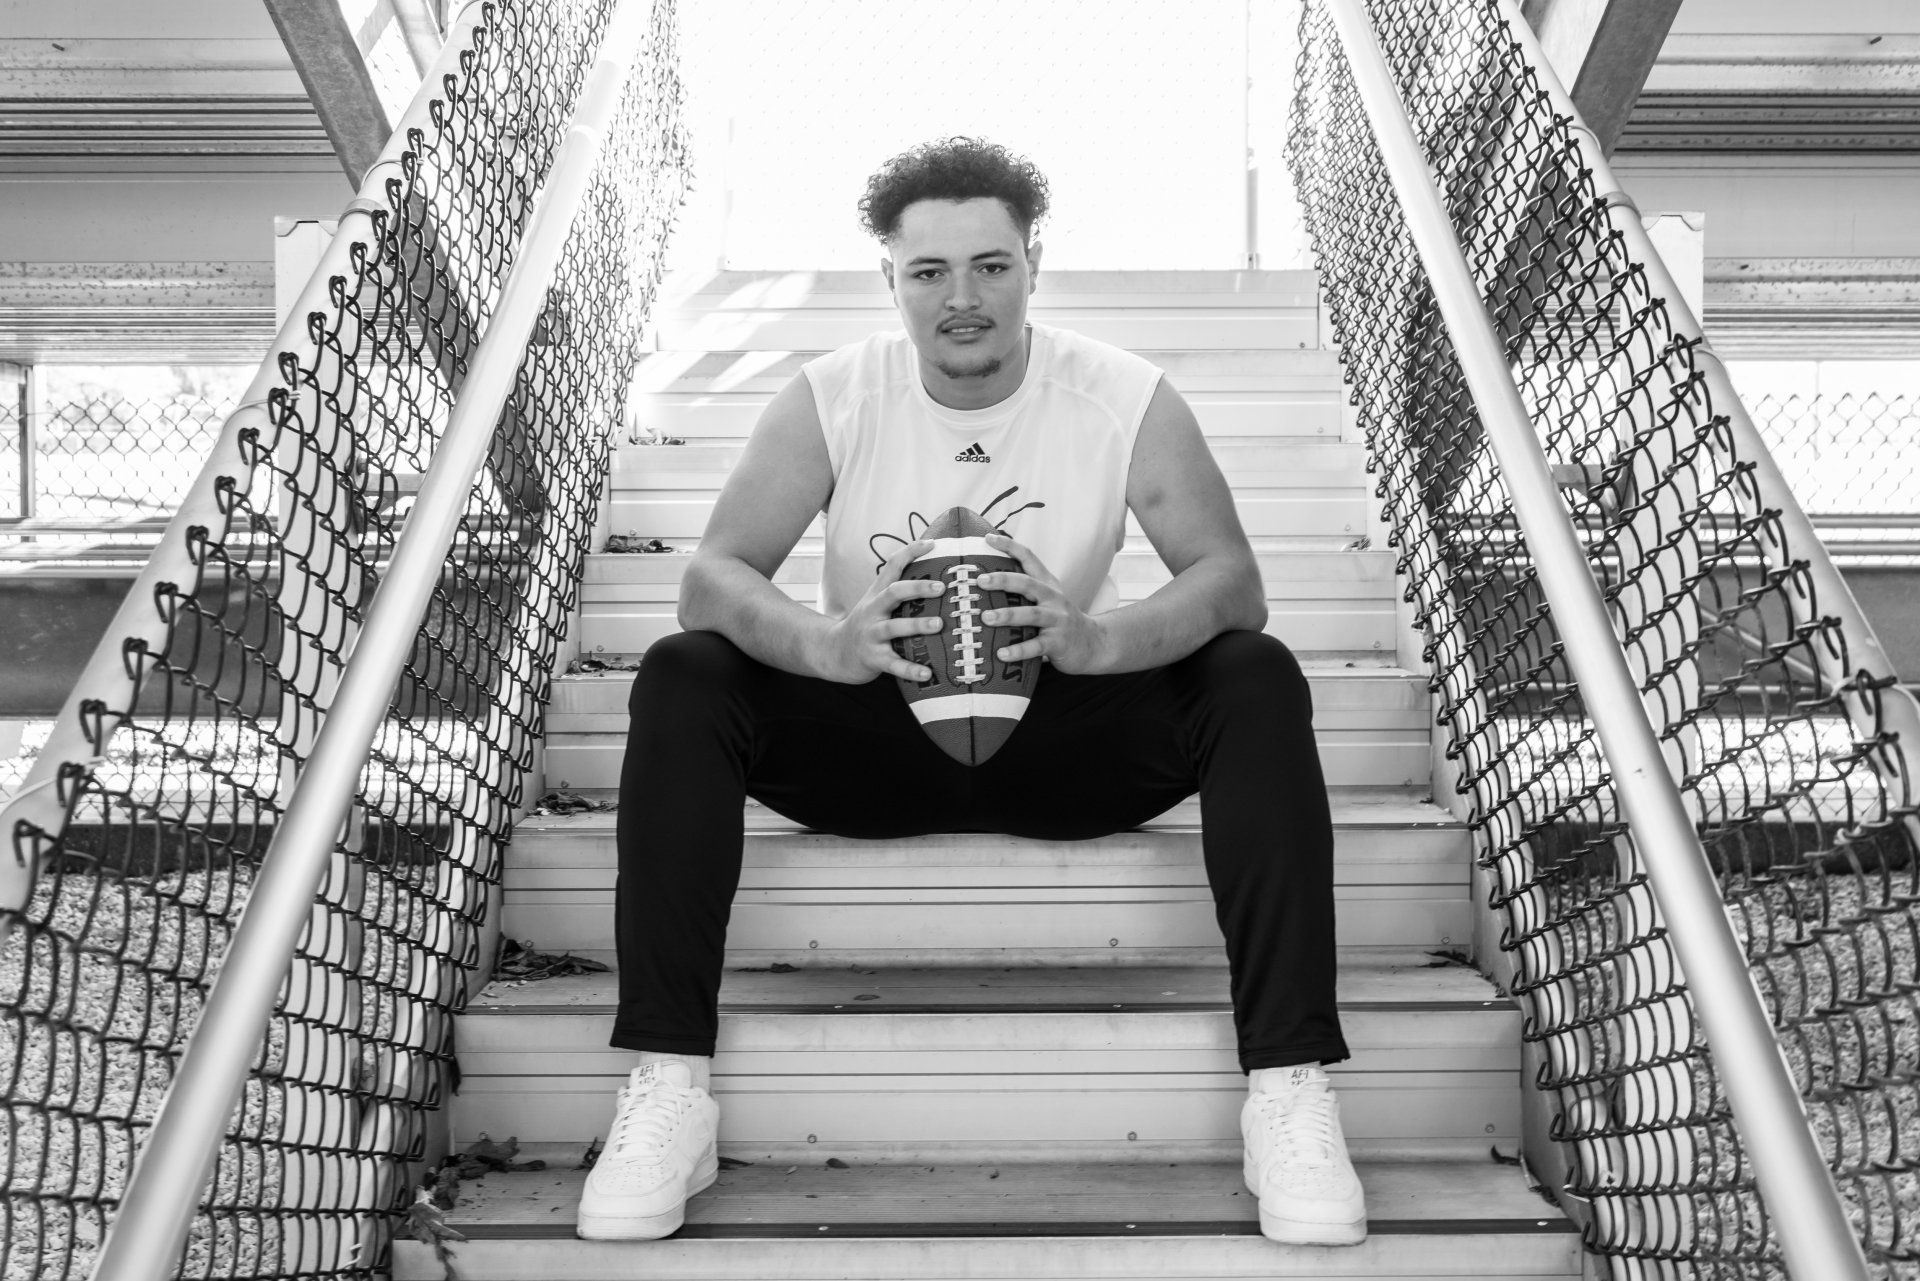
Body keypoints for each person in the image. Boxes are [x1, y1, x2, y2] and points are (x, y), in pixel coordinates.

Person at [575, 137, 1363, 1248]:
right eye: (929, 271)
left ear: (1034, 264)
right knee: (684, 671)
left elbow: (1233, 581)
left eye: (991, 265)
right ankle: (668, 1085)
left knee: (1253, 673)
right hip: (877, 742)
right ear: (890, 280)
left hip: (1060, 744)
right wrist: (830, 645)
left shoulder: (1121, 395)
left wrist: (1097, 639)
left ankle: (1288, 1089)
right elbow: (712, 576)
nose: (963, 297)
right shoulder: (835, 395)